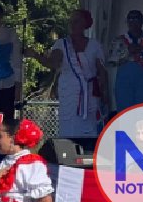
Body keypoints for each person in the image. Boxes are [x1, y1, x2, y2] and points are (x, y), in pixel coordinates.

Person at [30, 9, 108, 137]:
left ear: (85, 24)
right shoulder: (62, 44)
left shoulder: (95, 45)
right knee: (69, 123)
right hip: (69, 91)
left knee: (90, 124)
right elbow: (53, 63)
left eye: (76, 21)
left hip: (90, 91)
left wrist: (104, 94)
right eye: (71, 21)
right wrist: (35, 55)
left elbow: (102, 72)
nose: (72, 24)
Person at [107, 9, 143, 112]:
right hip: (124, 81)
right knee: (124, 112)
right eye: (130, 19)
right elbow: (111, 61)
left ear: (142, 21)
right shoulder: (119, 40)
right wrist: (128, 51)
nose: (133, 21)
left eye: (136, 18)